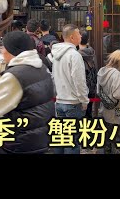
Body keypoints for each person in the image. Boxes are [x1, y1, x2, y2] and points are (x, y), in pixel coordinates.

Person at [52, 24, 88, 154]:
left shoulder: (56, 54)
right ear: (72, 37)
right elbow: (79, 81)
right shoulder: (74, 55)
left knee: (61, 139)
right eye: (79, 34)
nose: (81, 36)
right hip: (73, 103)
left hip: (60, 101)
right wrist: (84, 101)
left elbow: (53, 78)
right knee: (72, 142)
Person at [97, 49, 120, 154]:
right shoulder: (116, 74)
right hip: (117, 113)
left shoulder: (101, 71)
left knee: (107, 141)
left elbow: (98, 91)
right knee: (119, 142)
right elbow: (119, 94)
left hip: (104, 110)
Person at [78, 28, 98, 119]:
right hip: (92, 87)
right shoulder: (92, 52)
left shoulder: (76, 55)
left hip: (82, 88)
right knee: (89, 112)